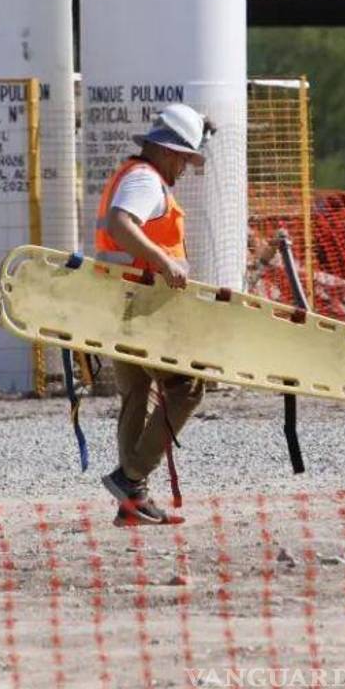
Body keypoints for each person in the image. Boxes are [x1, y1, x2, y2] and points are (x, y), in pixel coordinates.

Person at [94, 103, 216, 527]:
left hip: (117, 302)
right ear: (168, 151)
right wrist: (166, 262)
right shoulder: (146, 182)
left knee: (136, 393)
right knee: (187, 388)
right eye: (185, 159)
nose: (184, 169)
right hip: (141, 305)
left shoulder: (131, 175)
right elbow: (120, 224)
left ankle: (133, 503)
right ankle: (131, 478)